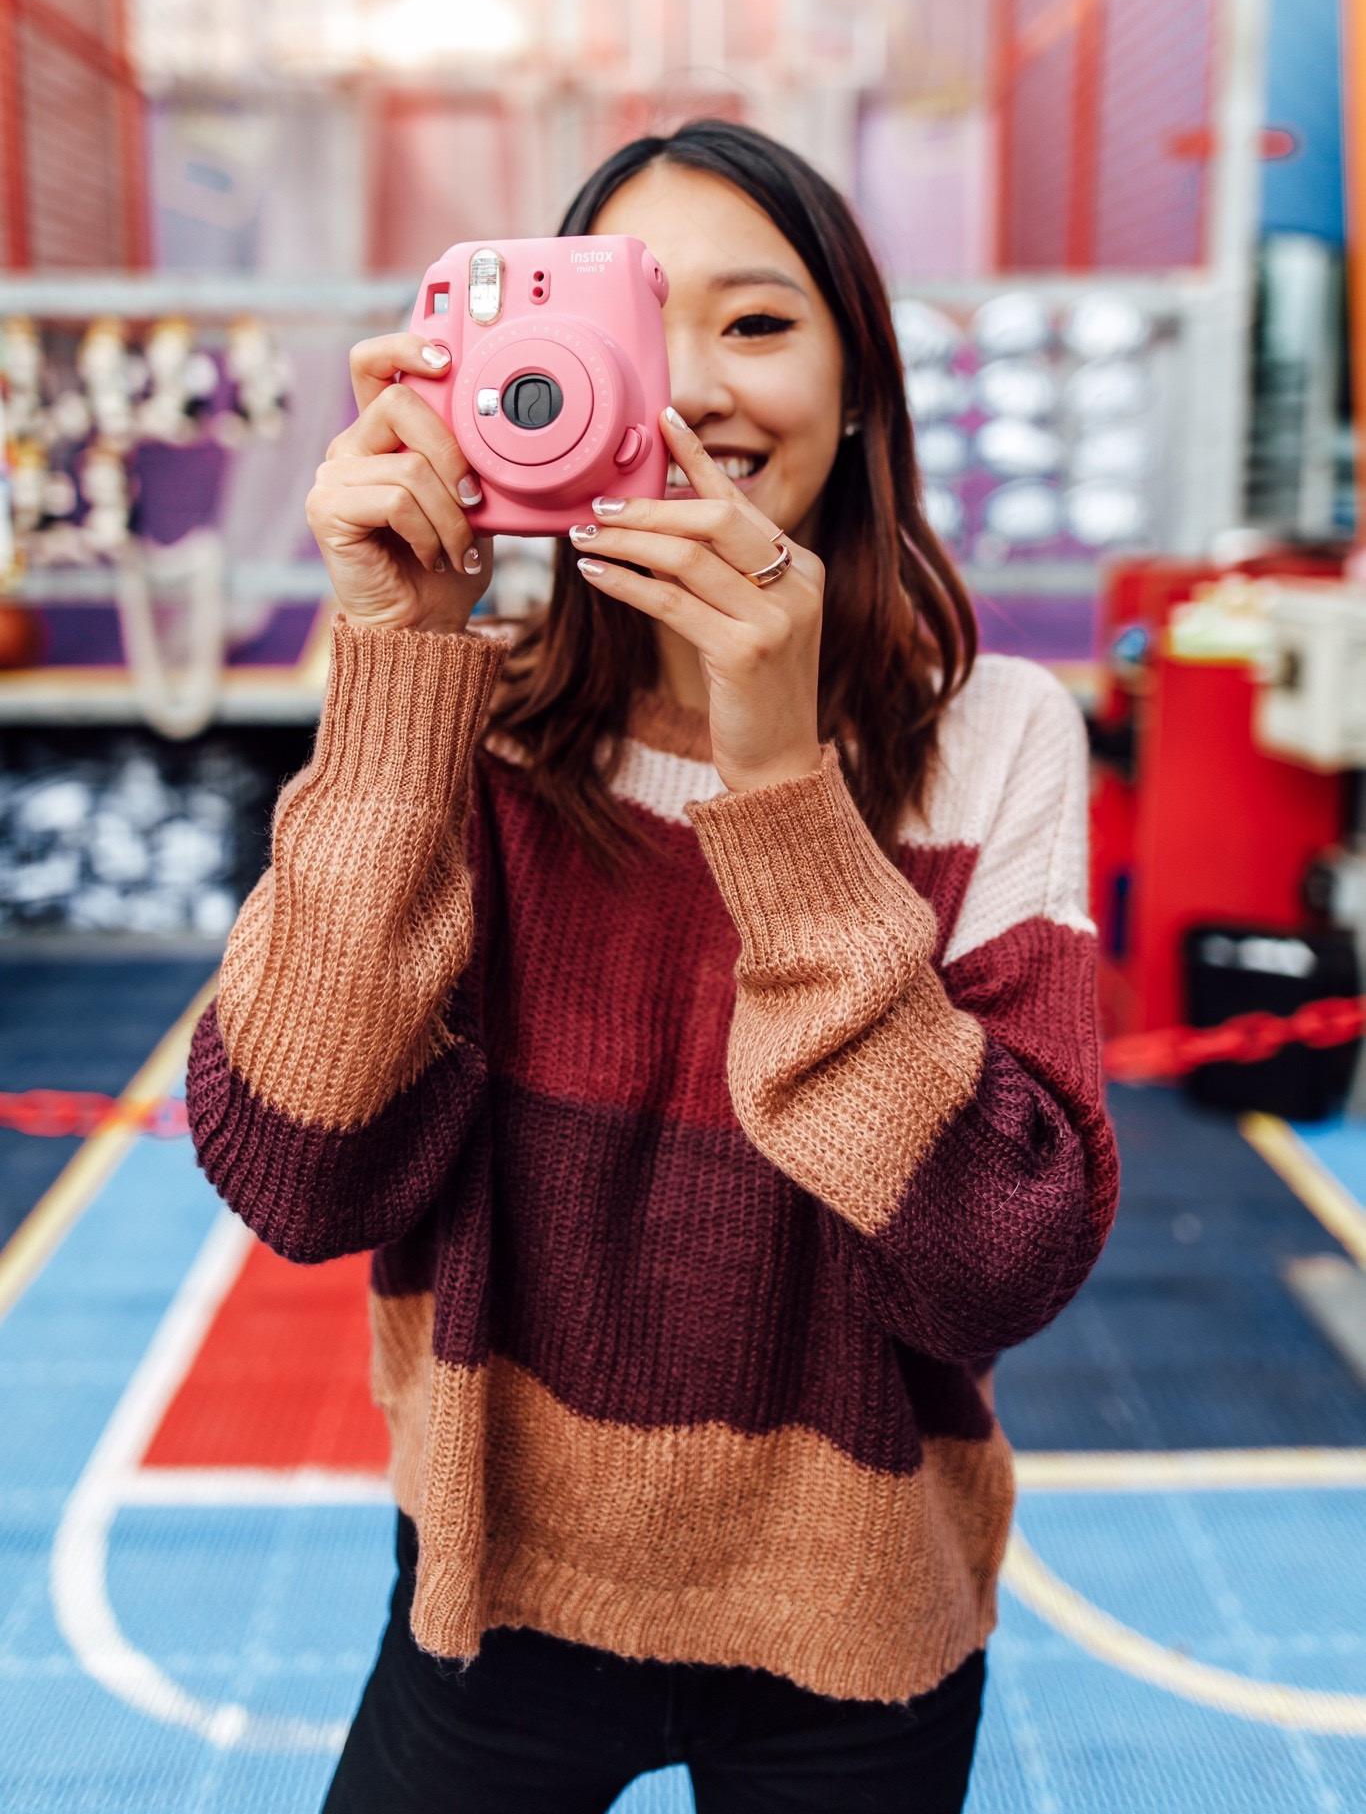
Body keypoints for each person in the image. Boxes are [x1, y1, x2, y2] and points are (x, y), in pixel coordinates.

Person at [186, 119, 1117, 1813]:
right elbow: (301, 1165)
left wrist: (779, 788)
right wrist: (397, 656)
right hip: (496, 1580)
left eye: (757, 324)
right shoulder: (476, 718)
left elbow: (1000, 1260)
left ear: (860, 392)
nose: (686, 390)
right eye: (629, 321)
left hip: (854, 1613)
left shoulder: (998, 740)